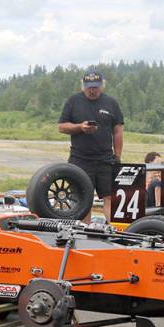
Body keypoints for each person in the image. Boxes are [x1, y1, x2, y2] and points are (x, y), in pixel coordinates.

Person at [58, 71, 124, 222]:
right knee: (83, 197)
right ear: (83, 86)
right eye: (89, 87)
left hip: (106, 159)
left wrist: (118, 156)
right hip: (80, 159)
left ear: (102, 86)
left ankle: (116, 233)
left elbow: (118, 131)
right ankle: (85, 234)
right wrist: (80, 127)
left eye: (95, 87)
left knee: (110, 197)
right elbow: (61, 127)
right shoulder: (73, 101)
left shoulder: (111, 103)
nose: (92, 90)